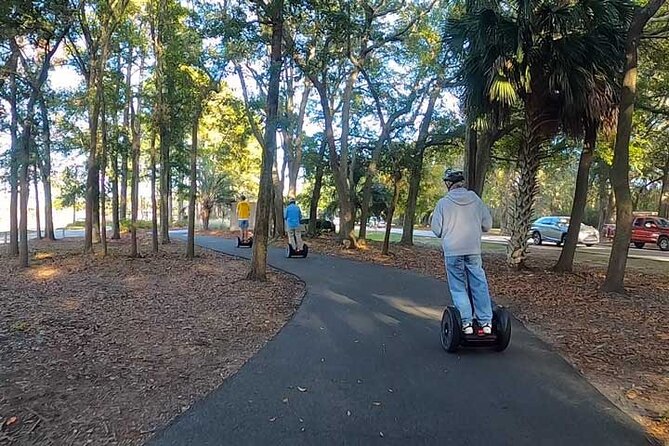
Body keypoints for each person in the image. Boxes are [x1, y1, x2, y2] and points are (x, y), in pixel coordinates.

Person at [431, 169, 494, 335]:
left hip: (452, 252)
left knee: (458, 287)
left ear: (448, 184)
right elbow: (487, 225)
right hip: (473, 250)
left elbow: (436, 230)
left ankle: (466, 324)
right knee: (479, 284)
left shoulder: (443, 203)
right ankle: (486, 322)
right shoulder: (475, 199)